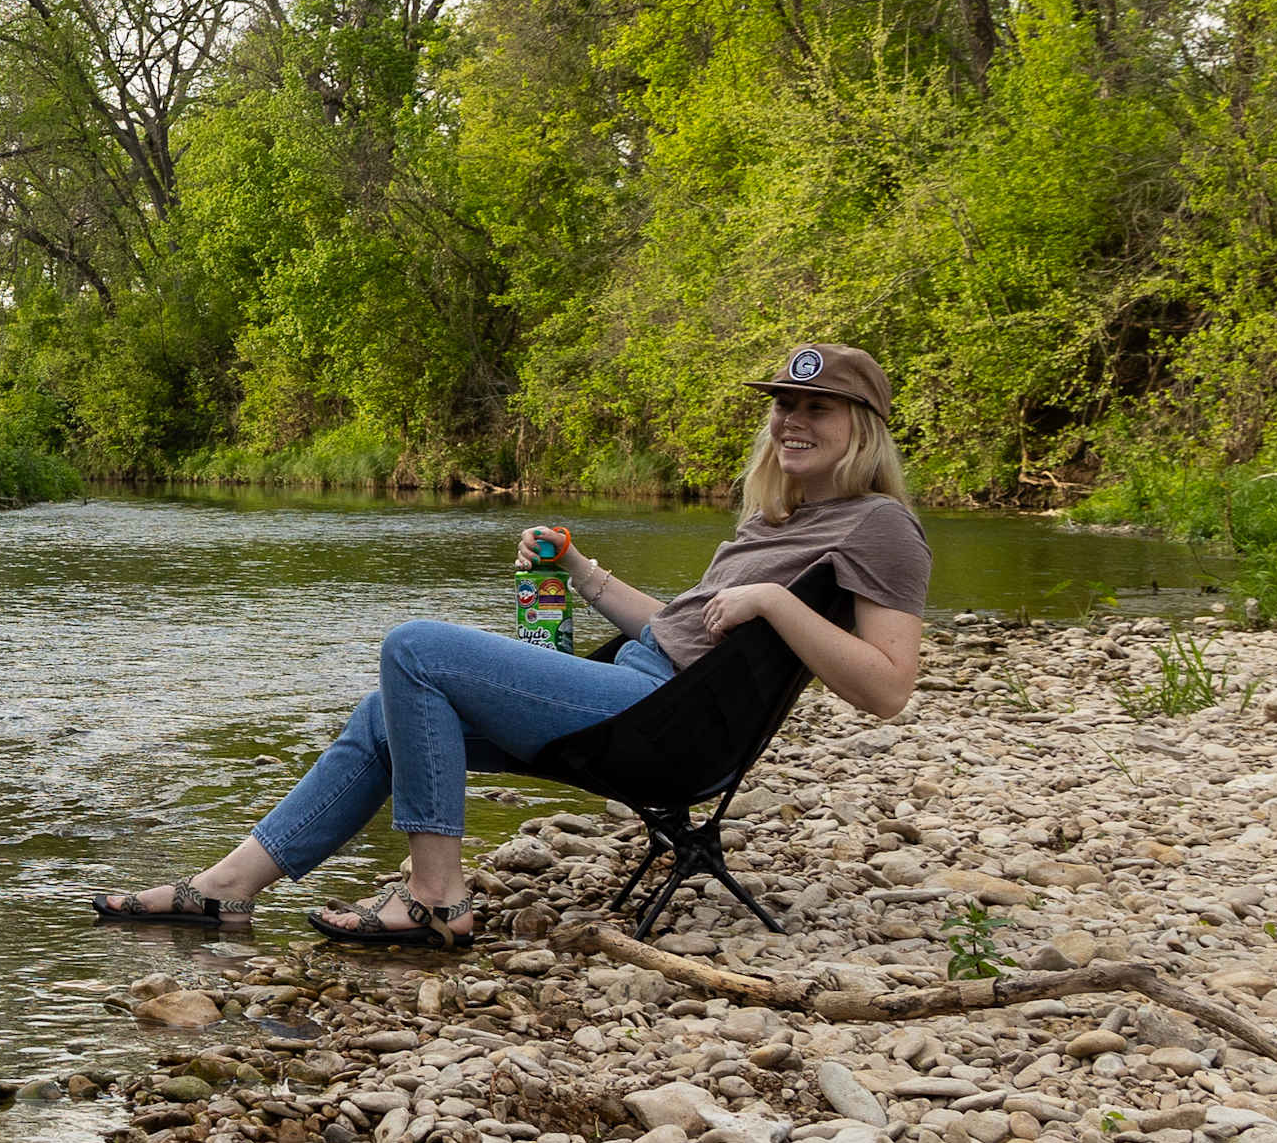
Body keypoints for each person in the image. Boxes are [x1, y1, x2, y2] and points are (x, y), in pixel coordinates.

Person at [90, 341, 931, 948]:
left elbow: (889, 688)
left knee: (415, 647)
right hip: (645, 696)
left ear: (864, 427)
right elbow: (680, 632)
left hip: (667, 733)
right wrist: (582, 572)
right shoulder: (779, 517)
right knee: (386, 710)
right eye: (785, 403)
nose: (792, 421)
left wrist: (778, 604)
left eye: (818, 407)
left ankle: (435, 897)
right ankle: (224, 892)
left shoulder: (880, 526)